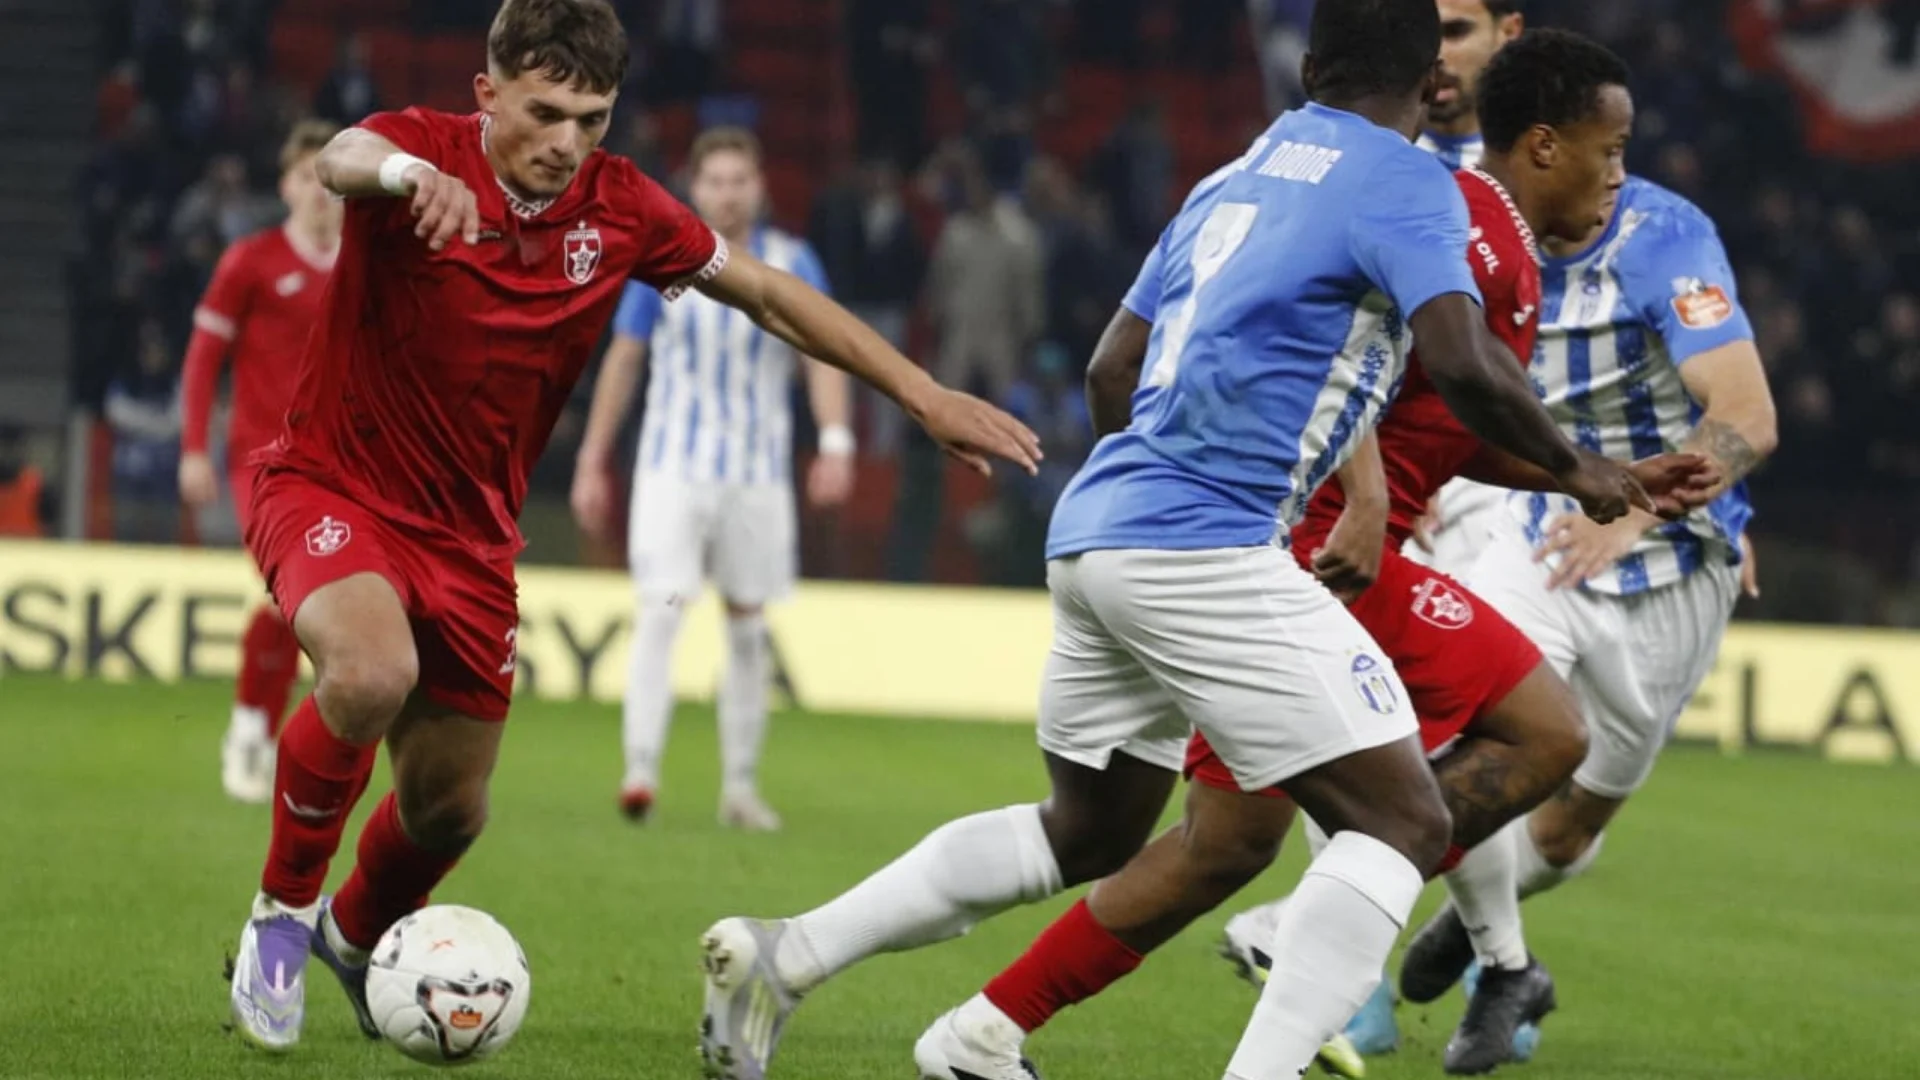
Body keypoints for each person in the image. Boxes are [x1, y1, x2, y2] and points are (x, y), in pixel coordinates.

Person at [695, 3, 1655, 1079]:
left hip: (1099, 530)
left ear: (1307, 67)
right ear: (1432, 83)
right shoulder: (1411, 184)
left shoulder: (1234, 176)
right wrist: (1582, 470)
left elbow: (1113, 367)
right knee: (1403, 820)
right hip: (1215, 546)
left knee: (1089, 832)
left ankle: (794, 956)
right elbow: (1465, 363)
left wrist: (1153, 509)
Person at [224, 0, 1039, 1054]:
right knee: (371, 671)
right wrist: (404, 176)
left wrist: (920, 394)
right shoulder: (418, 152)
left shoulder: (621, 210)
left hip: (470, 540)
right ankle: (282, 917)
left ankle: (351, 933)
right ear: (488, 94)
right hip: (332, 486)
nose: (567, 142)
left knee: (449, 810)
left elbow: (767, 293)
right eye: (545, 112)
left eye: (593, 119)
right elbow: (342, 156)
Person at [571, 126, 853, 831]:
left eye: (739, 180)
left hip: (758, 475)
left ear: (759, 187)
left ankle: (740, 788)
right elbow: (625, 358)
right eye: (715, 181)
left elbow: (823, 354)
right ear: (695, 188)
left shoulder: (793, 260)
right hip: (674, 469)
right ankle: (640, 771)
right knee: (662, 611)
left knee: (749, 630)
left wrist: (836, 440)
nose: (727, 194)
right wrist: (592, 456)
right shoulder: (662, 258)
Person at [180, 119, 342, 805]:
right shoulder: (251, 261)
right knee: (287, 595)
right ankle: (250, 730)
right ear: (285, 187)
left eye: (331, 178)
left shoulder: (367, 267)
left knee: (311, 610)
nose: (320, 191)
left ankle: (266, 732)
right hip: (263, 465)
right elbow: (203, 357)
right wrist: (194, 446)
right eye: (307, 177)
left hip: (343, 466)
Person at [1415, 0, 1522, 172]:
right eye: (1421, 34)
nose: (1437, 55)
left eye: (1455, 32)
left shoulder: (1539, 170)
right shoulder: (1373, 159)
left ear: (1507, 32)